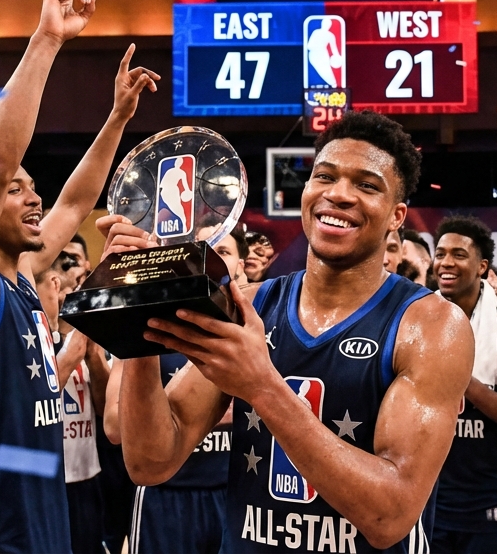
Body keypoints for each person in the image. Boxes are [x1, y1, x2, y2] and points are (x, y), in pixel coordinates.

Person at [109, 108, 474, 553]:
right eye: (325, 177)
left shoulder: (432, 326)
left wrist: (262, 386)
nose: (339, 194)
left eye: (366, 185)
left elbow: (390, 515)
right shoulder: (253, 303)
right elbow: (151, 461)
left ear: (398, 216)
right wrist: (140, 316)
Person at [0, 0, 157, 552]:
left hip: (44, 526)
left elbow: (75, 198)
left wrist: (119, 117)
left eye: (32, 188)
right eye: (19, 191)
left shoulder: (21, 274)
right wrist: (47, 40)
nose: (34, 197)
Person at [101, 229, 247, 554]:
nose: (212, 257)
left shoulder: (256, 328)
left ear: (241, 263)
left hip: (234, 493)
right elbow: (113, 426)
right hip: (165, 496)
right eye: (201, 249)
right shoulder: (150, 321)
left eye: (223, 248)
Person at [430, 216, 497, 552]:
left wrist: (462, 380)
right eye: (441, 253)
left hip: (490, 500)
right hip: (426, 498)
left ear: (482, 267)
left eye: (459, 255)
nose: (446, 262)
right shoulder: (417, 317)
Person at [31, 248, 111, 554]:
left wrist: (93, 357)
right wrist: (74, 350)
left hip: (87, 478)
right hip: (44, 481)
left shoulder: (85, 342)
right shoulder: (28, 344)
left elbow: (105, 411)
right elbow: (34, 404)